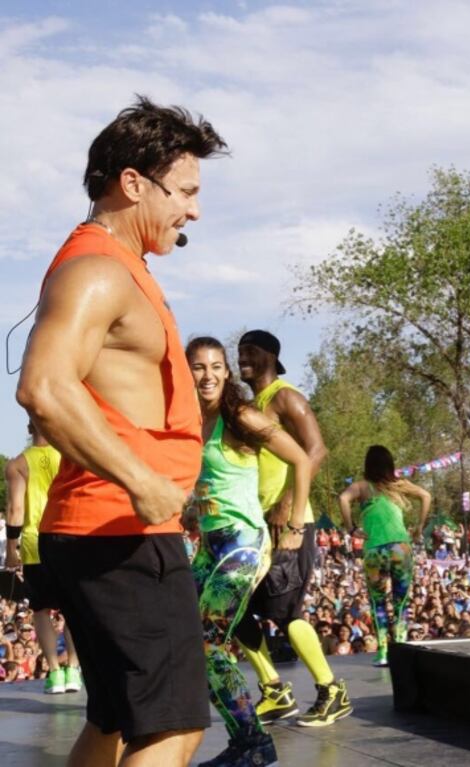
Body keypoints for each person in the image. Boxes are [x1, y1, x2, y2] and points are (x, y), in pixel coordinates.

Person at [16, 97, 227, 767]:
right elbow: (44, 387)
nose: (193, 211)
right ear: (133, 182)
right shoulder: (98, 268)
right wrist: (141, 479)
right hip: (120, 533)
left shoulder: (120, 267)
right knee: (171, 729)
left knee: (113, 720)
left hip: (102, 531)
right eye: (186, 192)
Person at [185, 337, 311, 767]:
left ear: (227, 372)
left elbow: (302, 459)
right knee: (187, 639)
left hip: (242, 543)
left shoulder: (239, 415)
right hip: (209, 545)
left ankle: (254, 742)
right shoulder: (189, 423)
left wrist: (294, 524)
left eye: (216, 366)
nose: (208, 375)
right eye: (198, 367)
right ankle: (244, 739)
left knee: (207, 645)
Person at [233, 330, 353, 727]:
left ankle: (331, 690)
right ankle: (274, 691)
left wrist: (291, 507)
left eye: (250, 351)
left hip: (292, 523)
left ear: (271, 355)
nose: (242, 357)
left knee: (288, 612)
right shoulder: (254, 405)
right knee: (236, 612)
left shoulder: (286, 396)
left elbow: (316, 450)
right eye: (239, 352)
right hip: (261, 523)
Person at [4, 421, 82, 695]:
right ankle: (73, 668)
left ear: (28, 428)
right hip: (70, 537)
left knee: (41, 610)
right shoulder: (70, 456)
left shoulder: (17, 465)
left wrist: (11, 547)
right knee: (73, 608)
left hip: (35, 542)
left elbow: (15, 509)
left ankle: (55, 672)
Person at [338, 445, 431, 667]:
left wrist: (351, 529)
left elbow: (343, 498)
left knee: (377, 602)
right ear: (390, 465)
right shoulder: (398, 485)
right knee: (401, 601)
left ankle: (383, 652)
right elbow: (425, 495)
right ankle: (400, 646)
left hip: (375, 550)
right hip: (401, 548)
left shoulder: (362, 487)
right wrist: (419, 526)